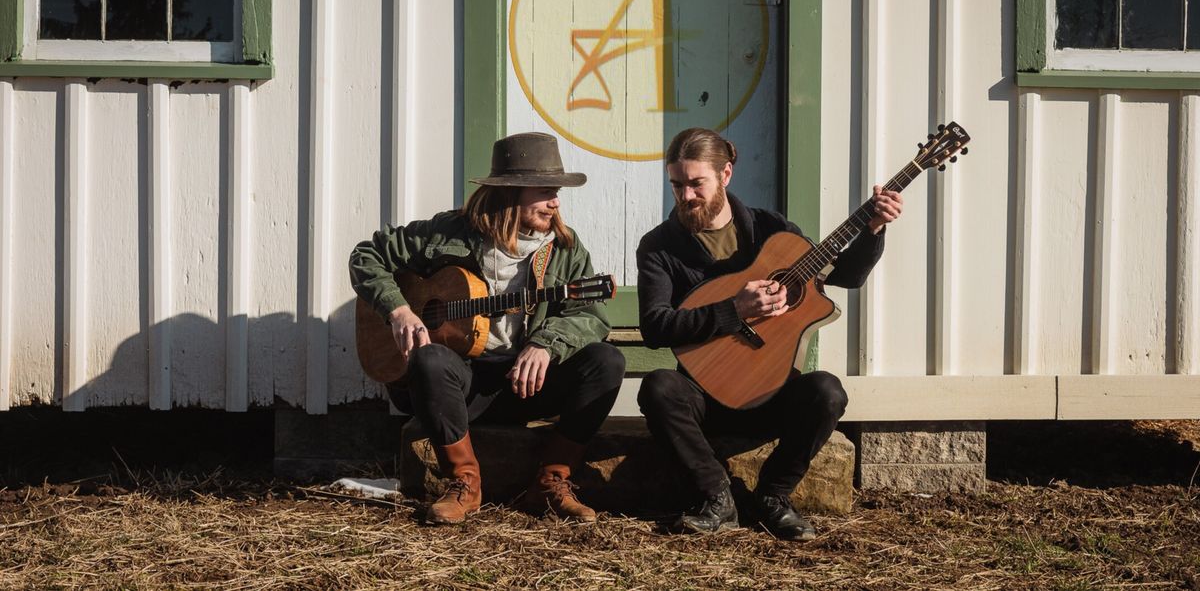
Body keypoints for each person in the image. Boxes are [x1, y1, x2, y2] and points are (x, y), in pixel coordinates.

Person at [636, 127, 903, 540]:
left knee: (827, 392)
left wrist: (872, 231)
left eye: (696, 184)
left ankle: (773, 497)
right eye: (676, 185)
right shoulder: (659, 246)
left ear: (726, 174)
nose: (685, 196)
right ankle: (717, 499)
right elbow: (655, 326)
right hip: (705, 393)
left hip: (771, 390)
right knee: (658, 388)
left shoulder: (771, 230)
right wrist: (733, 309)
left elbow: (846, 275)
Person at [349, 132, 624, 525]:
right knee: (429, 360)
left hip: (526, 383)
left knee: (607, 361)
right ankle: (464, 484)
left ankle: (550, 483)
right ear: (512, 192)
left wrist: (546, 344)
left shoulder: (565, 247)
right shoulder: (449, 232)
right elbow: (367, 255)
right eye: (546, 191)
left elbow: (590, 315)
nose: (556, 202)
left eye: (557, 191)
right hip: (463, 387)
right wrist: (399, 311)